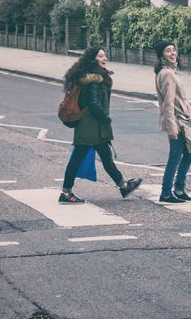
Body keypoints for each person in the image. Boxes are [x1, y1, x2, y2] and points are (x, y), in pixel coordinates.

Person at [58, 47, 141, 204]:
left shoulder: (92, 76)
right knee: (77, 159)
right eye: (101, 56)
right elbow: (94, 104)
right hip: (90, 126)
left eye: (105, 55)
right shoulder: (94, 80)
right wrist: (105, 119)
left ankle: (124, 186)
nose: (105, 58)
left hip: (93, 126)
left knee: (106, 159)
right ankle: (66, 192)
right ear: (93, 59)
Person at [155, 40, 191, 203]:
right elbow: (167, 103)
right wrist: (172, 128)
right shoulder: (167, 74)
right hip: (177, 122)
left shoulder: (169, 72)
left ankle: (179, 189)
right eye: (168, 51)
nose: (173, 53)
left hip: (180, 118)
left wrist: (188, 105)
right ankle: (166, 193)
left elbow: (175, 100)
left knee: (189, 153)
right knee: (176, 156)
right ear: (161, 56)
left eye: (174, 50)